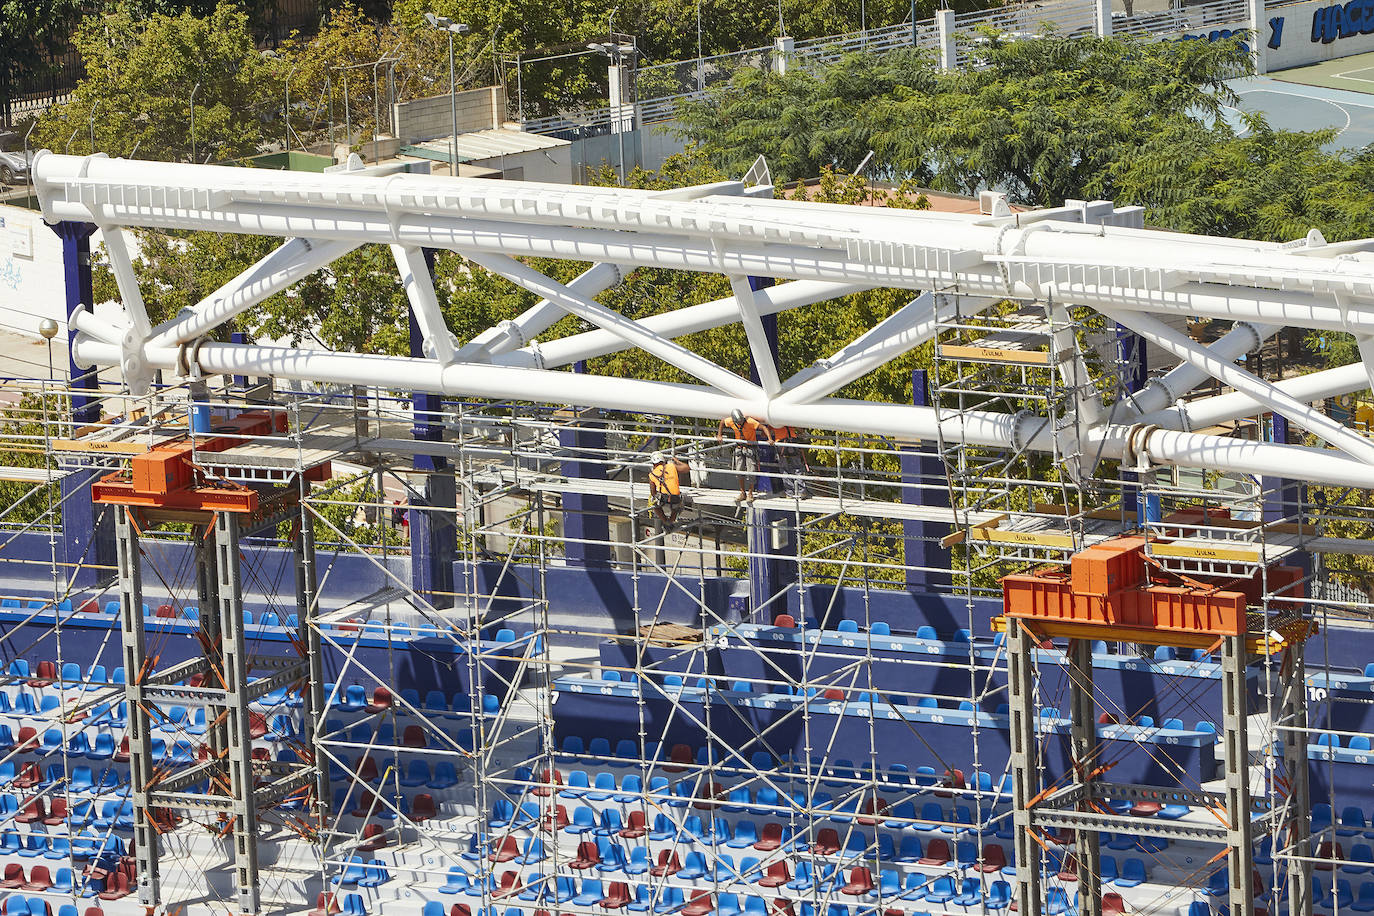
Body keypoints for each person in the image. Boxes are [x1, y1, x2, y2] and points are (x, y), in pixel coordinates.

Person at [717, 409, 773, 505]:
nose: (740, 423)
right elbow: (722, 422)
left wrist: (770, 439)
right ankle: (742, 492)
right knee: (739, 471)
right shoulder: (731, 421)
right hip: (739, 447)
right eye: (738, 422)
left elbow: (763, 427)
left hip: (750, 448)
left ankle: (750, 493)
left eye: (741, 421)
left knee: (751, 471)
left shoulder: (750, 421)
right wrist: (719, 435)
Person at [648, 451, 689, 532]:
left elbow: (653, 493)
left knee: (655, 505)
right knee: (676, 508)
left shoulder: (652, 474)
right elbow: (687, 468)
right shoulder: (671, 466)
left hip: (664, 499)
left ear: (653, 464)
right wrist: (677, 461)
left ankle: (665, 521)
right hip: (675, 498)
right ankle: (670, 522)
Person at [769, 423, 811, 499]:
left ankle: (790, 493)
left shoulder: (774, 420)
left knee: (784, 469)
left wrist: (770, 437)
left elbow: (765, 433)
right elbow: (801, 430)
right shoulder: (790, 418)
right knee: (797, 468)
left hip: (781, 444)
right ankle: (801, 491)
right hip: (792, 442)